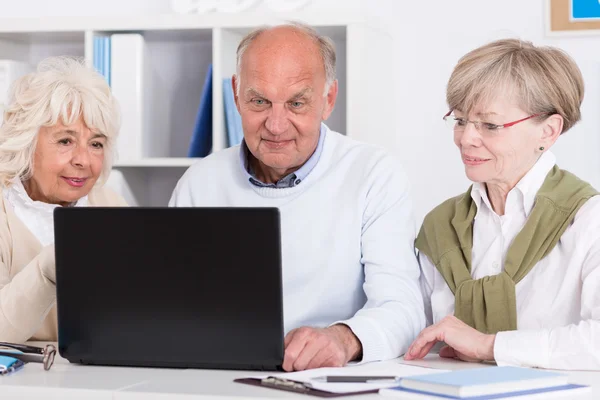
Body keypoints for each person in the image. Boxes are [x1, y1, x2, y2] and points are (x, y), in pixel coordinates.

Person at [170, 22, 425, 371]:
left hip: (327, 380)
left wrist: (343, 338)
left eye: (296, 103)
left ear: (328, 99)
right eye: (259, 101)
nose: (276, 125)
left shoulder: (373, 174)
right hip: (219, 376)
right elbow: (173, 309)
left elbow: (404, 308)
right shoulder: (199, 183)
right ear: (236, 94)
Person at [405, 39, 600, 370]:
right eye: (461, 120)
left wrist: (487, 345)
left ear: (548, 131)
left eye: (490, 125)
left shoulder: (587, 221)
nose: (466, 138)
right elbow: (411, 329)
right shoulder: (439, 226)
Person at [0, 56, 126, 343]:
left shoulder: (111, 208)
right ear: (26, 141)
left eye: (96, 144)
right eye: (65, 141)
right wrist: (48, 267)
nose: (83, 160)